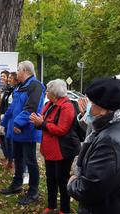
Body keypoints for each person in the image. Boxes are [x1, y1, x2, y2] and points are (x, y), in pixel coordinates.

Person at [67, 77, 120, 213]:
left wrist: (72, 183)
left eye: (91, 103)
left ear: (103, 109)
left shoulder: (111, 143)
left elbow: (88, 191)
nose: (87, 106)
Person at [30, 79, 80, 214]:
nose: (46, 92)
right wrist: (37, 121)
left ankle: (64, 209)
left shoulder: (67, 106)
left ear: (55, 93)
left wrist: (42, 123)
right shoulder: (50, 103)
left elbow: (61, 129)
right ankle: (51, 206)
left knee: (62, 180)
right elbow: (43, 121)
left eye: (48, 90)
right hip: (50, 149)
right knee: (50, 178)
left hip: (63, 150)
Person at [0, 61, 45, 205]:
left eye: (18, 70)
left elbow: (32, 108)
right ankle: (17, 184)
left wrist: (18, 123)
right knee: (18, 158)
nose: (16, 73)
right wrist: (4, 122)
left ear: (25, 71)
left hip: (27, 130)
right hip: (16, 131)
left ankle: (33, 191)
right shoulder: (20, 87)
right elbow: (13, 107)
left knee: (30, 160)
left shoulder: (36, 85)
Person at [0, 72, 19, 169]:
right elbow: (5, 104)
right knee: (6, 139)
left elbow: (13, 106)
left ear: (16, 79)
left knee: (11, 141)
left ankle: (13, 161)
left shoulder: (16, 90)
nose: (8, 80)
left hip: (13, 119)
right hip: (7, 118)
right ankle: (9, 160)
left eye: (10, 78)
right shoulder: (9, 90)